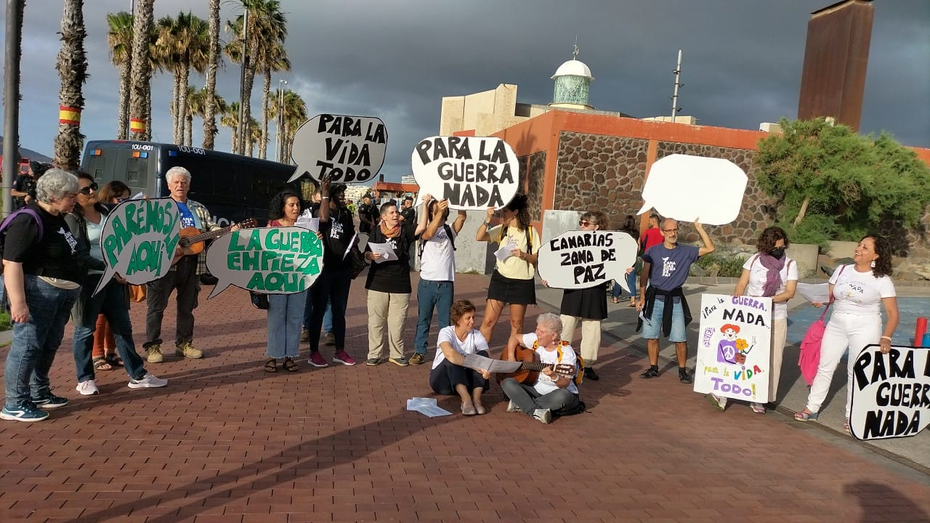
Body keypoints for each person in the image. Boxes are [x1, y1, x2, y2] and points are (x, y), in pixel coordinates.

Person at [67, 172, 167, 395]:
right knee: (84, 330)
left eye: (93, 186)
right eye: (85, 189)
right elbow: (79, 256)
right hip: (90, 280)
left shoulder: (107, 211)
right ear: (73, 194)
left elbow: (133, 228)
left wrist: (146, 208)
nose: (92, 191)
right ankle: (85, 379)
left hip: (115, 279)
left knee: (123, 328)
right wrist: (111, 270)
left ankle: (138, 375)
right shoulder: (72, 219)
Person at [794, 235, 898, 434]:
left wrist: (886, 337)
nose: (858, 249)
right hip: (837, 323)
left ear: (876, 255)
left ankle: (852, 416)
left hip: (865, 326)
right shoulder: (843, 270)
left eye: (865, 247)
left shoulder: (882, 279)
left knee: (856, 372)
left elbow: (893, 314)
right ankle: (812, 407)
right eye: (859, 245)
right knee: (825, 366)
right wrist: (821, 300)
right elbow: (831, 296)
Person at [1, 169, 82, 422]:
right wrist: (19, 303)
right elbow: (12, 262)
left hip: (60, 294)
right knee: (27, 346)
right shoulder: (28, 219)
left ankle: (38, 392)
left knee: (48, 344)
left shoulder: (56, 217)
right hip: (38, 291)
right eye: (70, 196)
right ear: (54, 195)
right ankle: (15, 402)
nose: (75, 200)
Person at [143, 166, 230, 363]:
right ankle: (153, 346)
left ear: (189, 185)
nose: (180, 185)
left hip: (193, 264)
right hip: (165, 264)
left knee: (186, 308)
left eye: (183, 182)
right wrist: (169, 246)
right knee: (156, 307)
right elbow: (148, 232)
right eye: (176, 182)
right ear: (168, 185)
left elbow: (210, 227)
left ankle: (184, 343)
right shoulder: (159, 207)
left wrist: (224, 231)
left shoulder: (198, 208)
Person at [707, 226, 797, 414]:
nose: (779, 252)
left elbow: (790, 292)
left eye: (782, 247)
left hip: (775, 316)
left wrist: (767, 301)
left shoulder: (789, 264)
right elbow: (742, 283)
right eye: (775, 248)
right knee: (739, 352)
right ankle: (724, 390)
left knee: (772, 358)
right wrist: (737, 299)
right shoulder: (755, 260)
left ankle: (760, 397)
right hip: (750, 316)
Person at [637, 218, 715, 383]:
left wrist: (699, 228)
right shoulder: (653, 251)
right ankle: (653, 367)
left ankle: (682, 370)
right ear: (662, 232)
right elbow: (644, 275)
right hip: (654, 298)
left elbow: (710, 248)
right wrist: (641, 297)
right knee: (652, 337)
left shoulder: (686, 252)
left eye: (675, 230)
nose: (672, 234)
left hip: (675, 299)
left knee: (680, 338)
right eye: (669, 231)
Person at [306, 178, 357, 367]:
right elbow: (324, 219)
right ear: (330, 193)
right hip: (323, 269)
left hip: (342, 269)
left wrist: (353, 242)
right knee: (318, 310)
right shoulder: (317, 209)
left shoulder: (345, 213)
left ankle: (340, 351)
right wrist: (325, 193)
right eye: (340, 191)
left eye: (344, 192)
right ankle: (313, 352)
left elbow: (351, 234)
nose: (343, 195)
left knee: (339, 311)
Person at [476, 194, 540, 345]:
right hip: (500, 279)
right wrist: (487, 219)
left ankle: (512, 358)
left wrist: (523, 255)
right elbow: (479, 237)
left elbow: (536, 258)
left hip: (521, 282)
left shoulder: (530, 232)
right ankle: (478, 355)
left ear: (515, 212)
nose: (502, 214)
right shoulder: (502, 229)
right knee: (488, 321)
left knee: (516, 324)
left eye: (505, 212)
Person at [410, 195, 467, 366]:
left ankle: (444, 352)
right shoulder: (423, 230)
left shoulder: (450, 230)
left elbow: (462, 217)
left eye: (441, 207)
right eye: (435, 207)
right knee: (423, 320)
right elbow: (428, 234)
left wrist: (460, 202)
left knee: (445, 322)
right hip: (427, 284)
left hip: (446, 285)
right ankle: (420, 351)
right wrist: (435, 213)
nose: (439, 208)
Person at [500, 313, 581, 424]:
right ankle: (534, 410)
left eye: (541, 332)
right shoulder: (536, 340)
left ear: (553, 336)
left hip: (554, 393)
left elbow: (565, 383)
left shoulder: (566, 352)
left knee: (564, 396)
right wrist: (511, 356)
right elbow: (514, 337)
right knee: (507, 382)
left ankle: (524, 404)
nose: (537, 333)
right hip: (534, 389)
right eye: (537, 329)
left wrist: (554, 376)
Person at [364, 200, 417, 366]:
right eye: (392, 212)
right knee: (376, 322)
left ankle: (396, 354)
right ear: (384, 216)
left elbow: (422, 228)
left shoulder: (405, 230)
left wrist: (425, 203)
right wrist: (371, 256)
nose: (395, 215)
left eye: (397, 212)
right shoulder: (376, 231)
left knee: (397, 322)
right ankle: (374, 354)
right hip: (377, 283)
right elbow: (366, 252)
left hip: (400, 284)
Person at [558, 211, 609, 381]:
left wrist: (624, 270)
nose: (582, 226)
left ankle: (587, 365)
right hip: (573, 291)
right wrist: (550, 277)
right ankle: (559, 359)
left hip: (595, 291)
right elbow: (559, 262)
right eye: (581, 222)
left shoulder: (607, 244)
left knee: (592, 329)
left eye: (586, 223)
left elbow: (615, 263)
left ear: (597, 226)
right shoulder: (571, 242)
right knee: (565, 325)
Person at [264, 190, 309, 373]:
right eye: (291, 205)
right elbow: (263, 254)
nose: (296, 208)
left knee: (295, 318)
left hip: (300, 280)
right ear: (282, 207)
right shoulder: (272, 226)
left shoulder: (306, 226)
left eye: (298, 204)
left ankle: (290, 356)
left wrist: (316, 241)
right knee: (276, 318)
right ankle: (273, 356)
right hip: (277, 280)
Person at [90, 180, 134, 371]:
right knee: (99, 315)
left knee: (117, 313)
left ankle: (111, 351)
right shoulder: (99, 214)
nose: (123, 202)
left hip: (119, 268)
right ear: (108, 198)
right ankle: (96, 354)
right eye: (120, 198)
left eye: (127, 199)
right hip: (97, 271)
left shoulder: (124, 216)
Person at [429, 300, 492, 415]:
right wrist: (474, 365)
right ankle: (466, 400)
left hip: (466, 380)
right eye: (468, 318)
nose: (472, 322)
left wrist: (486, 367)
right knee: (452, 359)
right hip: (442, 381)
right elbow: (449, 353)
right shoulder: (446, 332)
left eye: (473, 317)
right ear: (458, 320)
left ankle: (477, 400)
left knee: (483, 357)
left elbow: (487, 354)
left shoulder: (476, 334)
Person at [612, 214, 640, 307]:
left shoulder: (620, 232)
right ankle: (632, 299)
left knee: (619, 278)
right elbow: (638, 247)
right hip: (631, 258)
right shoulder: (636, 233)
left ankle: (615, 298)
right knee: (631, 279)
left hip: (621, 257)